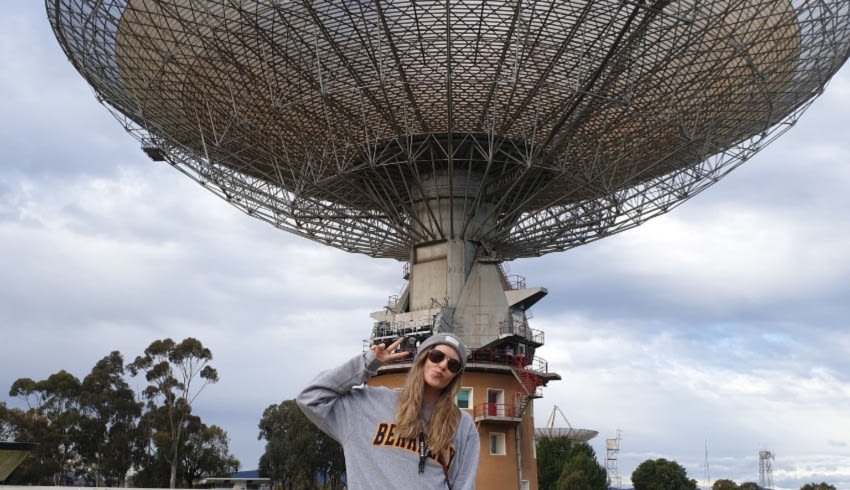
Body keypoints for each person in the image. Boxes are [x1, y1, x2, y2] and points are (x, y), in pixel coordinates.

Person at [296, 332, 480, 489]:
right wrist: (367, 364)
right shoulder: (367, 405)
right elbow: (310, 397)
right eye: (437, 356)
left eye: (453, 365)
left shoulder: (462, 425)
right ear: (423, 358)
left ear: (456, 375)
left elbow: (463, 484)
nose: (443, 366)